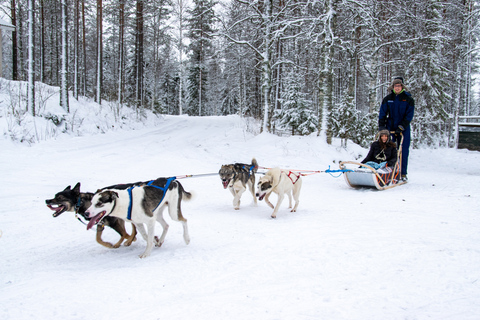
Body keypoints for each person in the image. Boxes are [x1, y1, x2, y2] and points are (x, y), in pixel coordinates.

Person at [378, 77, 414, 181]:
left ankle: (402, 173)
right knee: (388, 149)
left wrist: (402, 126)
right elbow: (382, 113)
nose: (397, 88)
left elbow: (409, 115)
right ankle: (389, 171)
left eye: (399, 86)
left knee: (403, 150)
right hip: (390, 127)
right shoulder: (388, 98)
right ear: (392, 87)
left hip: (404, 128)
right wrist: (382, 126)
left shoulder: (408, 99)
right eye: (395, 86)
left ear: (402, 87)